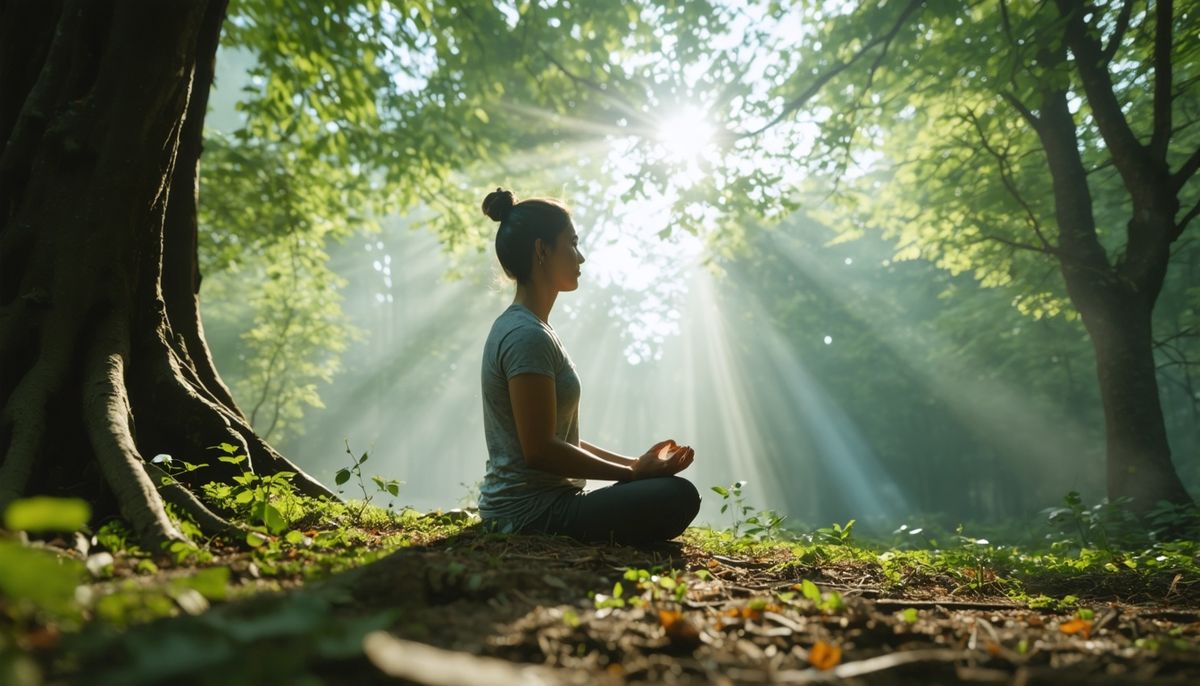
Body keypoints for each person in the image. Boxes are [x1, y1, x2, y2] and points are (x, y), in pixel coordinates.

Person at [477, 188, 701, 545]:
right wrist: (631, 474)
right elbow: (539, 450)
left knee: (668, 491)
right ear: (542, 250)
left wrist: (634, 464)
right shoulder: (525, 335)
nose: (581, 257)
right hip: (528, 514)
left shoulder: (534, 329)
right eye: (572, 243)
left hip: (546, 505)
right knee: (678, 496)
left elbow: (561, 440)